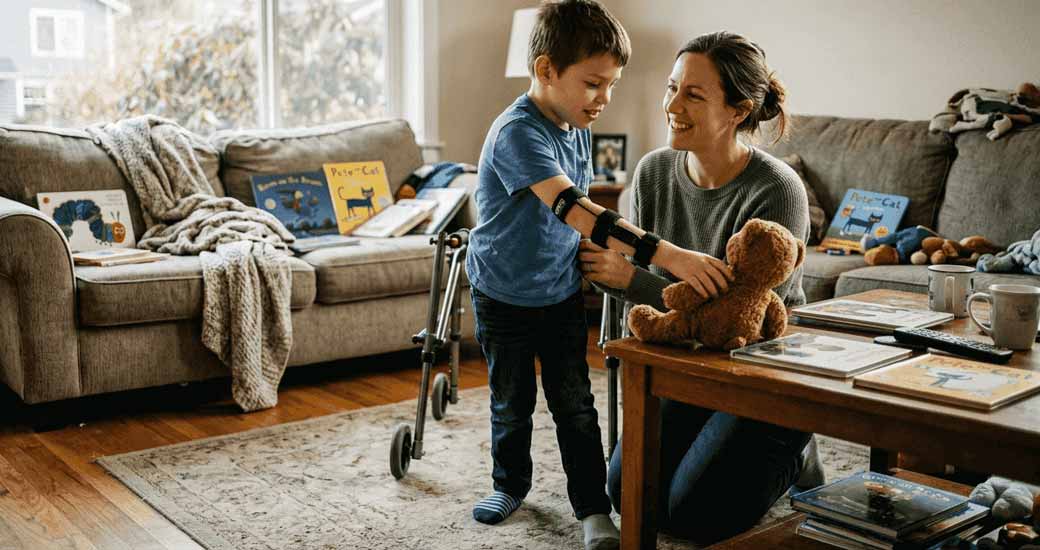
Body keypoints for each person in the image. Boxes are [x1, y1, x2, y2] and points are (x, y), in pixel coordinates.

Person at [465, 3, 732, 549]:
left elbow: (587, 209)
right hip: (502, 294)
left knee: (575, 405)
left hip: (558, 292)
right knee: (510, 401)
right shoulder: (518, 132)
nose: (603, 98)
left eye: (610, 84)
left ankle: (591, 508)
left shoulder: (576, 128)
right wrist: (672, 257)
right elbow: (572, 206)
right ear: (545, 70)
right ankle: (509, 484)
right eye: (592, 84)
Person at [579, 31, 821, 544]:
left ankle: (798, 455)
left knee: (693, 514)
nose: (672, 104)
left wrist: (629, 278)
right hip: (684, 365)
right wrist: (630, 279)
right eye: (672, 87)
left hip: (759, 373)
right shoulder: (652, 174)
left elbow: (746, 314)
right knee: (629, 491)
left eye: (694, 94)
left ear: (739, 110)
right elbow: (653, 296)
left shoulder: (776, 189)